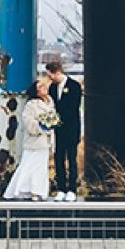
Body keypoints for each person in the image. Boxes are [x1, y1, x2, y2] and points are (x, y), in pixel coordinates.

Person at [3, 75, 56, 200]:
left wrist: (51, 126)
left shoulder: (50, 102)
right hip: (34, 140)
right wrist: (41, 127)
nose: (44, 88)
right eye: (40, 87)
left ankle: (37, 190)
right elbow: (28, 121)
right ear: (36, 92)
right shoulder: (31, 105)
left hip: (45, 141)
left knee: (41, 168)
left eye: (43, 86)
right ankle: (26, 190)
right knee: (29, 165)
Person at [45, 60, 82, 201]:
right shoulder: (52, 88)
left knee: (72, 160)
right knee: (58, 159)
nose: (49, 78)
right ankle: (61, 188)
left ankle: (72, 189)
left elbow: (73, 107)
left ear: (57, 72)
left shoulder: (74, 86)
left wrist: (58, 117)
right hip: (58, 131)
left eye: (50, 75)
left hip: (71, 129)